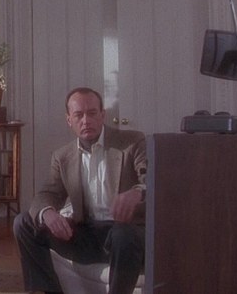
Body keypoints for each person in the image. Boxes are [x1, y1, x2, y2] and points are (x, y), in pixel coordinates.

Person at [14, 87, 146, 294]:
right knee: (23, 222)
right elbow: (48, 193)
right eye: (78, 115)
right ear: (69, 120)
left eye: (92, 113)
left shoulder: (132, 142)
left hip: (126, 233)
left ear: (102, 115)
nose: (86, 120)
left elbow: (154, 179)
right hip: (88, 234)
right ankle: (49, 291)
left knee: (123, 234)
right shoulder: (62, 156)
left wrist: (137, 192)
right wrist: (47, 212)